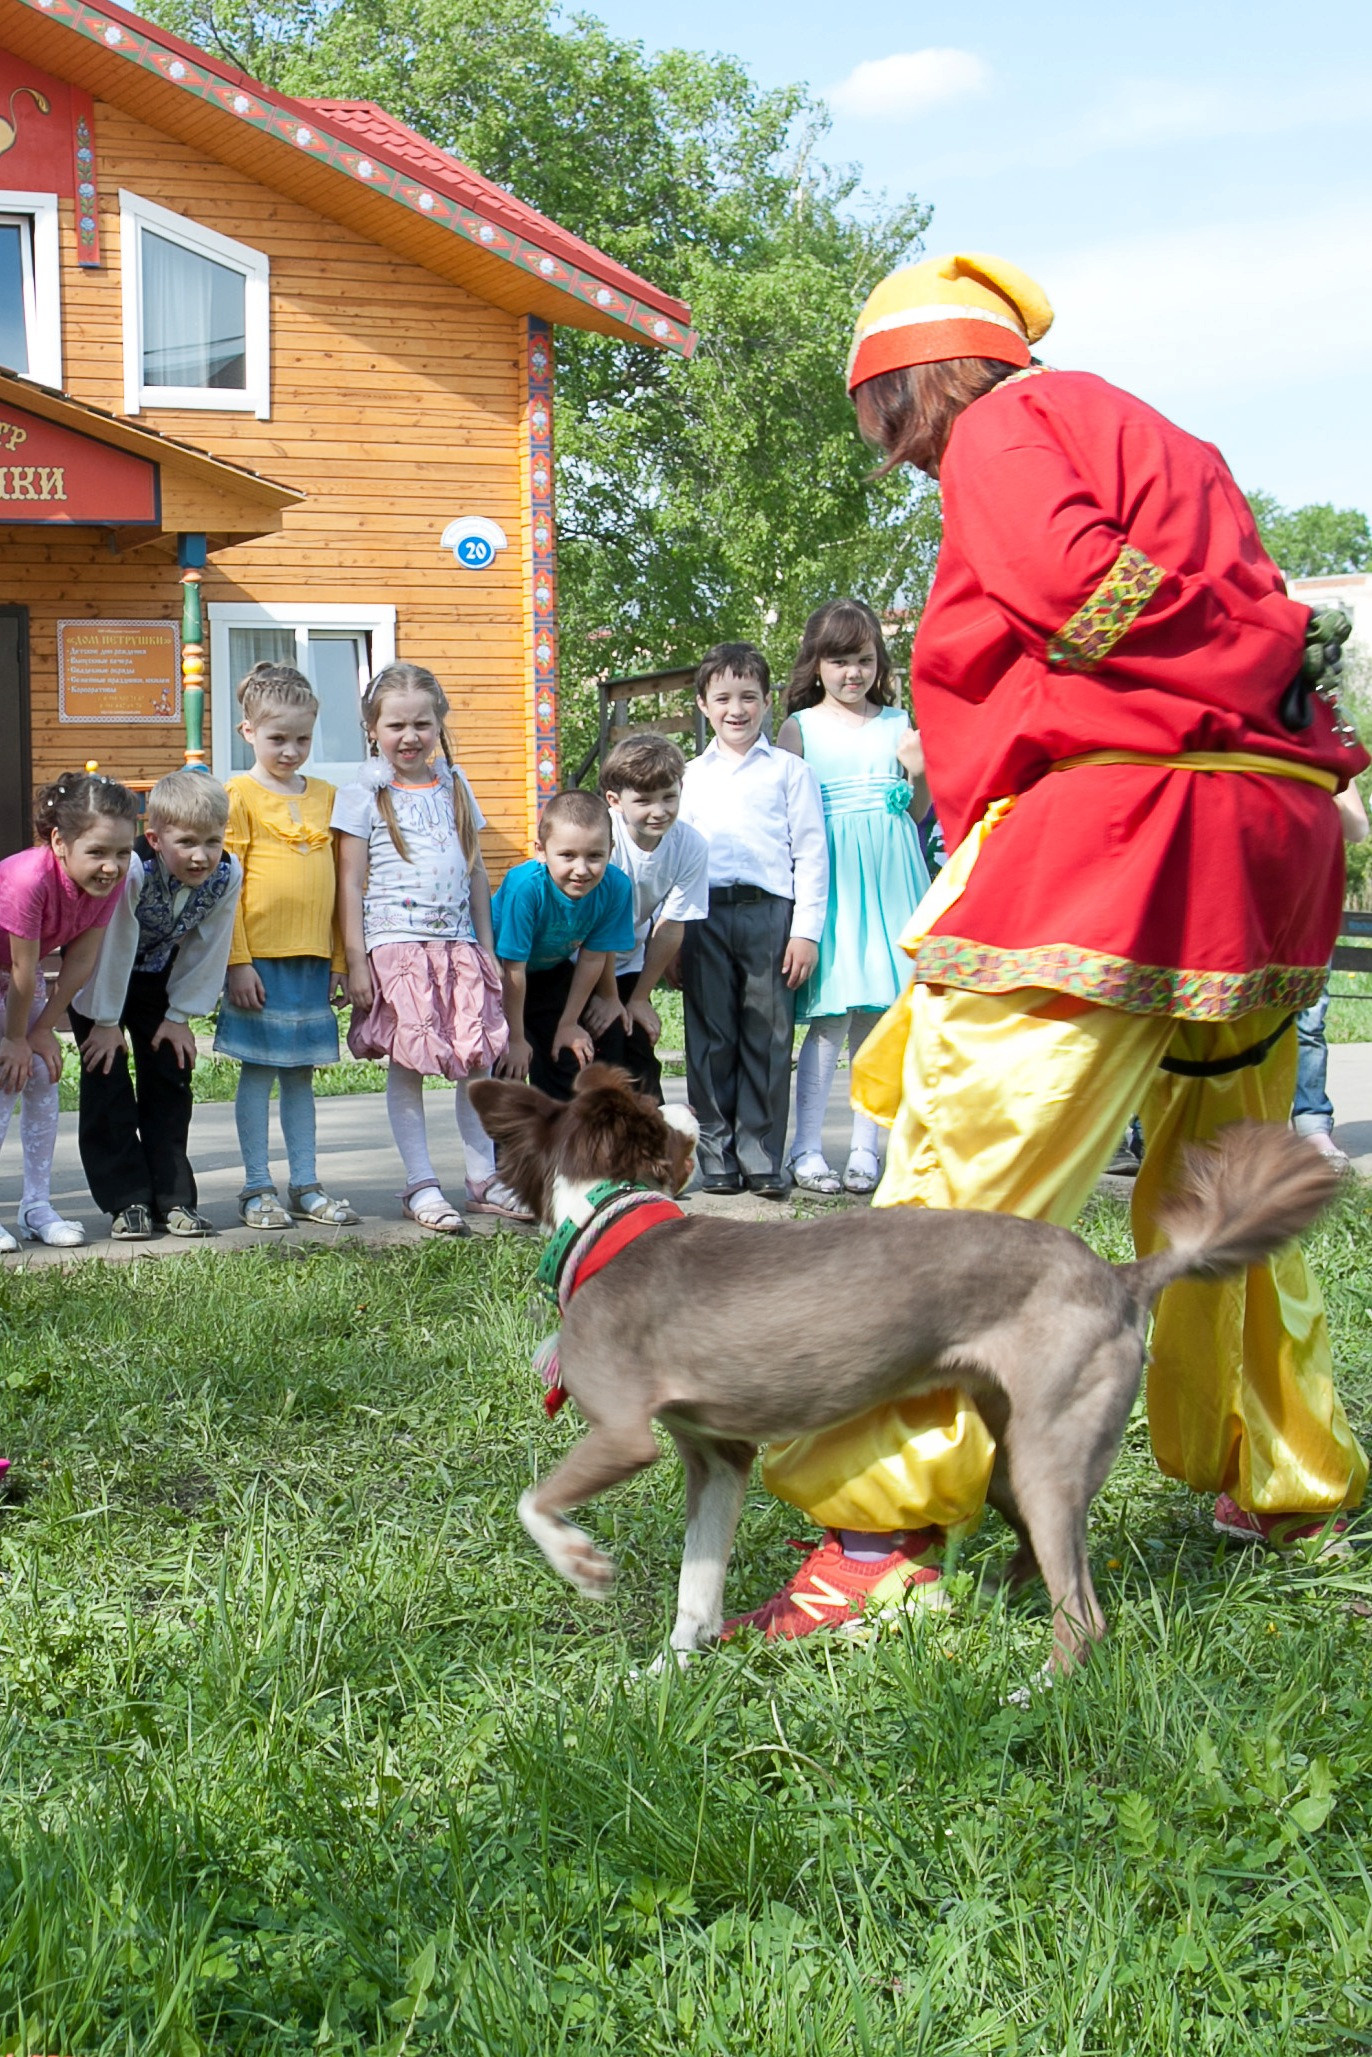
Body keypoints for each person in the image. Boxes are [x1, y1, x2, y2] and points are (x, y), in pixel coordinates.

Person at [731, 250, 1369, 1639]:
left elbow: (1084, 590)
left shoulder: (1010, 426)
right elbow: (1221, 616)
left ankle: (877, 1541)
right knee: (1222, 1180)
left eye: (886, 425)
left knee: (964, 1185)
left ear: (921, 388)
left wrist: (1216, 655)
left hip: (1121, 836)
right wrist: (1265, 654)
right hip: (1270, 833)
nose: (901, 462)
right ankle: (1288, 1474)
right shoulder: (1158, 434)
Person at [334, 661, 524, 1232]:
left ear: (439, 724)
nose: (409, 737)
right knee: (410, 1064)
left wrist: (486, 946)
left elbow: (476, 873)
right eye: (395, 726)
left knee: (477, 1060)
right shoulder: (363, 794)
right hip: (398, 948)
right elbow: (348, 882)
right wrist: (355, 960)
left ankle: (483, 1177)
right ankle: (420, 1182)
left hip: (459, 946)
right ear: (372, 728)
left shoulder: (455, 786)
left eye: (422, 723)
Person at [777, 598, 931, 1196]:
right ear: (816, 664)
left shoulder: (898, 724)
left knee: (879, 1018)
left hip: (893, 880)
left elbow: (916, 814)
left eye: (863, 660)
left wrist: (918, 772)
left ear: (879, 662)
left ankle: (867, 1149)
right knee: (829, 1019)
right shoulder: (800, 728)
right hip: (833, 884)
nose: (852, 674)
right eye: (839, 660)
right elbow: (784, 820)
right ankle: (807, 1149)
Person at [214, 662, 358, 1231]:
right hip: (259, 964)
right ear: (248, 732)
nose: (292, 750)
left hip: (312, 963)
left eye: (302, 738)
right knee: (258, 1072)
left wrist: (342, 962)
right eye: (278, 738)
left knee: (300, 1075)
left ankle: (306, 1183)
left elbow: (346, 885)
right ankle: (256, 1187)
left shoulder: (328, 796)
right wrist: (238, 961)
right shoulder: (239, 794)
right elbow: (229, 888)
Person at [69, 769, 242, 1240]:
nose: (202, 855)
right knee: (106, 1078)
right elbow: (116, 942)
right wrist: (105, 1021)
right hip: (97, 971)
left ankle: (174, 1199)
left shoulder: (227, 873)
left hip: (157, 978)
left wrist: (180, 1015)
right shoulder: (135, 871)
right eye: (186, 841)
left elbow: (211, 943)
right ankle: (126, 1201)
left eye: (212, 840)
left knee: (170, 1074)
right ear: (155, 837)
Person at [0, 771, 139, 1253]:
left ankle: (36, 1205)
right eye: (98, 852)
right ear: (60, 840)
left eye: (122, 853)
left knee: (42, 1073)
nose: (113, 866)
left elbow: (81, 959)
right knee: (7, 1076)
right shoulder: (28, 878)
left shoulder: (111, 881)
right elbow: (21, 966)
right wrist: (16, 1038)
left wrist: (40, 1032)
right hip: (12, 970)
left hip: (20, 976)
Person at [581, 734, 709, 1104]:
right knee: (594, 1052)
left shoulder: (690, 846)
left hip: (627, 960)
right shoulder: (604, 839)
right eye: (644, 801)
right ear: (614, 801)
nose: (659, 811)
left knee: (637, 1054)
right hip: (577, 959)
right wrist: (606, 996)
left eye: (669, 797)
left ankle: (649, 1151)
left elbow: (671, 927)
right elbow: (598, 928)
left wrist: (638, 998)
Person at [491, 788, 635, 1099]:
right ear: (541, 851)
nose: (581, 870)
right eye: (567, 856)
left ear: (610, 850)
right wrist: (515, 1038)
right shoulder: (525, 888)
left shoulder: (615, 887)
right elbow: (512, 969)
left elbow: (594, 958)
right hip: (496, 974)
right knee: (508, 1064)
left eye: (595, 856)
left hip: (547, 971)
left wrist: (568, 1023)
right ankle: (505, 1146)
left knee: (566, 1055)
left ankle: (561, 1137)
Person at [1292, 782, 1369, 1169]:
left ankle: (1311, 1123)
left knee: (1308, 1023)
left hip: (1306, 904)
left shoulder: (1323, 737)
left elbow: (1358, 829)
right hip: (1244, 900)